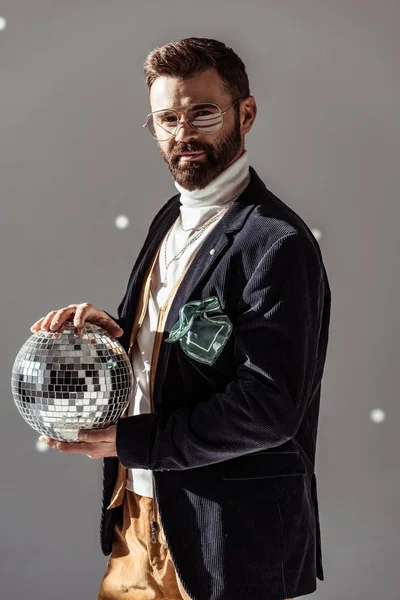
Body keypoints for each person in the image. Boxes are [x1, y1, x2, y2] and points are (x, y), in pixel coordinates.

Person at [33, 37, 331, 600]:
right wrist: (114, 338)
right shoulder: (171, 216)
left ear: (245, 114)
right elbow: (183, 356)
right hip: (138, 520)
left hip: (228, 543)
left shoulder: (277, 243)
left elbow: (268, 410)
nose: (182, 134)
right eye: (166, 118)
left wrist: (133, 441)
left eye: (202, 113)